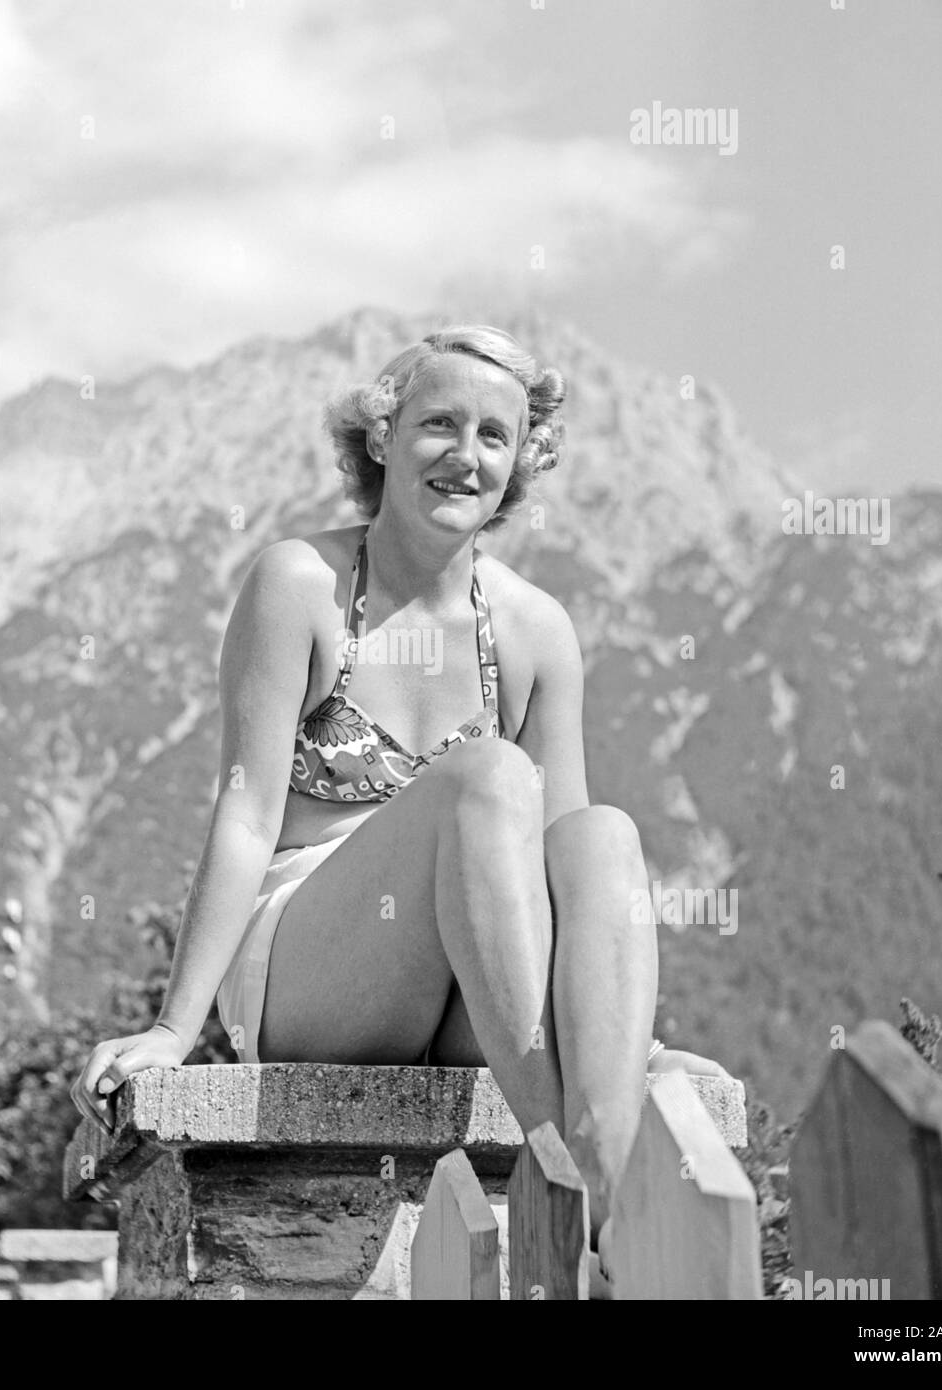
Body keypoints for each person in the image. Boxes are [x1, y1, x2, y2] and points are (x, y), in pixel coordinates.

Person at [71, 323, 728, 1279]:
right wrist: (176, 1029)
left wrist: (630, 1046)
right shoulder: (301, 584)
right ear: (381, 438)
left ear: (522, 462)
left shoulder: (538, 631)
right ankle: (578, 1193)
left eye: (494, 436)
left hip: (475, 986)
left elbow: (568, 871)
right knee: (491, 776)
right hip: (317, 972)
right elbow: (248, 816)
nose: (465, 456)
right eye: (438, 425)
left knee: (605, 835)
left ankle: (604, 1168)